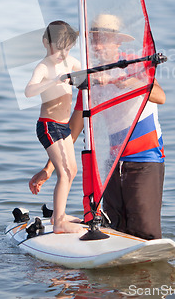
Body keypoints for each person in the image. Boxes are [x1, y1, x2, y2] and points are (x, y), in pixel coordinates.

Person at [29, 14, 167, 240]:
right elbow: (73, 128)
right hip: (111, 165)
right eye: (94, 40)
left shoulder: (133, 63)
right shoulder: (91, 76)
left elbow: (160, 96)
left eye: (103, 39)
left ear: (118, 42)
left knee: (146, 234)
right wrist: (49, 169)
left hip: (145, 158)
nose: (98, 45)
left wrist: (123, 80)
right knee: (116, 233)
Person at [24, 20, 84, 234]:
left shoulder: (70, 62)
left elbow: (86, 73)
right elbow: (29, 91)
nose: (63, 53)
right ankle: (58, 222)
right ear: (45, 43)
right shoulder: (44, 67)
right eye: (59, 48)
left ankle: (61, 213)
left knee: (72, 170)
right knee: (65, 171)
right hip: (48, 126)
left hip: (63, 126)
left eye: (67, 49)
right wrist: (54, 81)